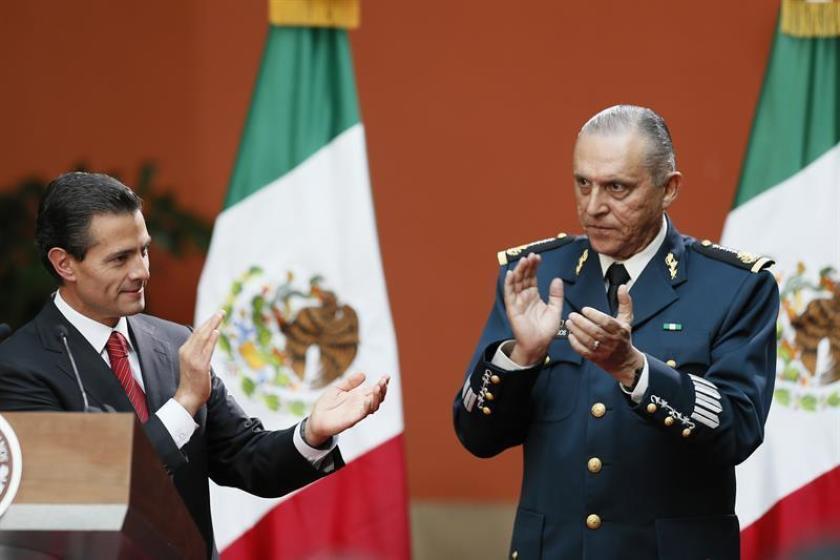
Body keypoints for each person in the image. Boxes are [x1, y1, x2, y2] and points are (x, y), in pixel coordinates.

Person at [0, 172, 389, 559]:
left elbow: (246, 458)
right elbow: (85, 497)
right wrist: (183, 406)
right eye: (120, 258)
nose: (141, 272)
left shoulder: (173, 343)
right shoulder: (19, 366)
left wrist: (311, 433)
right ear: (65, 264)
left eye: (144, 250)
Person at [453, 105, 779, 559]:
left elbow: (738, 429)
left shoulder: (735, 287)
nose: (593, 207)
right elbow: (476, 437)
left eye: (617, 188)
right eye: (582, 183)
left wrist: (635, 369)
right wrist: (520, 358)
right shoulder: (539, 276)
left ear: (669, 189)